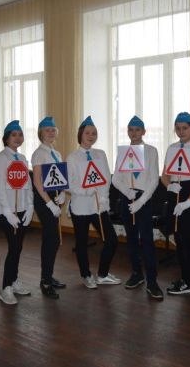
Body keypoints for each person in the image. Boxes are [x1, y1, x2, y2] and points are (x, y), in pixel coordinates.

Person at [66, 116, 120, 289]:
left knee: (111, 239)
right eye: (87, 133)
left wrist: (104, 197)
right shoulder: (73, 157)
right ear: (80, 134)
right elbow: (69, 183)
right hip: (81, 206)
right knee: (81, 243)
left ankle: (102, 274)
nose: (91, 136)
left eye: (94, 133)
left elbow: (106, 178)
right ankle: (86, 275)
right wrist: (85, 191)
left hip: (98, 206)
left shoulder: (100, 154)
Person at [113, 116, 162, 299]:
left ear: (143, 132)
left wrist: (140, 201)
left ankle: (152, 280)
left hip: (144, 199)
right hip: (127, 197)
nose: (134, 133)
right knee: (131, 239)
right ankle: (136, 273)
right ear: (128, 132)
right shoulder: (123, 152)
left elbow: (154, 179)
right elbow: (116, 178)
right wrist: (128, 193)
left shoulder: (151, 151)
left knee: (147, 240)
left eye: (137, 130)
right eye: (131, 130)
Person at [160, 112, 190, 295]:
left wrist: (189, 202)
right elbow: (165, 175)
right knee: (180, 238)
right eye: (178, 128)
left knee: (189, 238)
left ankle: (188, 280)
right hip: (176, 192)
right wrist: (169, 185)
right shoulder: (172, 148)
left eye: (185, 128)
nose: (181, 131)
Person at [0, 120, 34, 305]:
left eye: (20, 135)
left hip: (22, 209)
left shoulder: (23, 158)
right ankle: (6, 288)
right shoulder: (2, 158)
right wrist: (7, 212)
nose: (18, 138)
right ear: (6, 138)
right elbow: (0, 187)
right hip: (8, 210)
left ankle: (14, 280)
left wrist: (30, 205)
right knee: (14, 247)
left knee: (18, 247)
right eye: (14, 135)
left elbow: (27, 183)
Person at [31, 117, 67, 299]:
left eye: (53, 129)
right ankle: (45, 281)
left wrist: (62, 193)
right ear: (41, 133)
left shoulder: (56, 153)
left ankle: (49, 275)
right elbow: (37, 182)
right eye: (47, 130)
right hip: (44, 199)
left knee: (53, 240)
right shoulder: (39, 153)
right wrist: (50, 203)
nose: (51, 132)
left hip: (54, 198)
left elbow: (59, 177)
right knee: (51, 239)